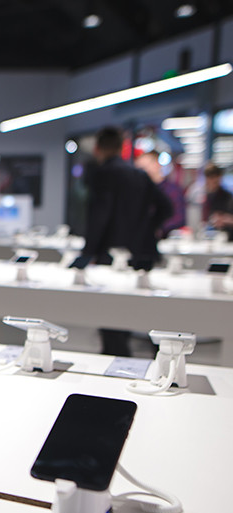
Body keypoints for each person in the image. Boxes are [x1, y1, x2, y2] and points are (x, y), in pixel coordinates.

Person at [80, 126, 173, 356]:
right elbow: (166, 207)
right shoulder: (139, 175)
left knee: (111, 319)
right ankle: (160, 363)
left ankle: (117, 367)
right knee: (149, 313)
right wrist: (148, 227)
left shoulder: (102, 174)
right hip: (142, 252)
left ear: (98, 149)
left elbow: (100, 216)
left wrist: (87, 253)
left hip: (110, 255)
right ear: (122, 147)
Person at [135, 150, 186, 234]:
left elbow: (178, 218)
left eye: (143, 168)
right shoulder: (139, 192)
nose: (140, 173)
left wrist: (157, 228)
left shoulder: (172, 191)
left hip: (167, 237)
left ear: (156, 165)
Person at [203, 163, 233, 240]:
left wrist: (223, 219)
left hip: (226, 236)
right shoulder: (203, 195)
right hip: (207, 235)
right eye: (211, 178)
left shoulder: (227, 196)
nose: (214, 181)